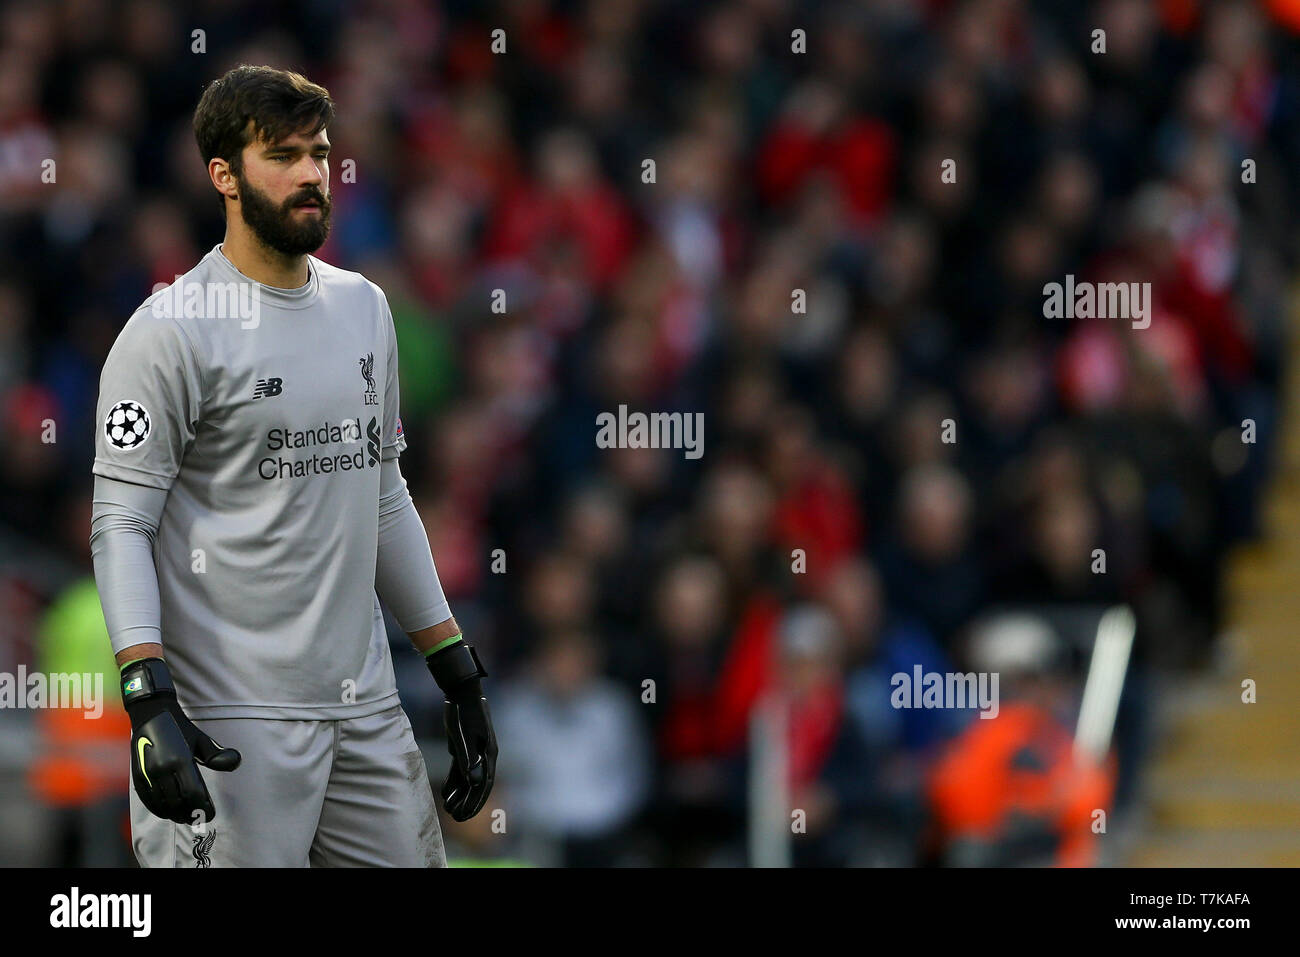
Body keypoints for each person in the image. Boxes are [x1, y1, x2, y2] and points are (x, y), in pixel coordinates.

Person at [88, 65, 496, 867]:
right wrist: (147, 699)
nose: (313, 174)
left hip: (366, 706)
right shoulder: (169, 331)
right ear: (225, 176)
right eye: (284, 155)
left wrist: (456, 669)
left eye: (319, 152)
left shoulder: (363, 307)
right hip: (232, 719)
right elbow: (121, 523)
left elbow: (382, 497)